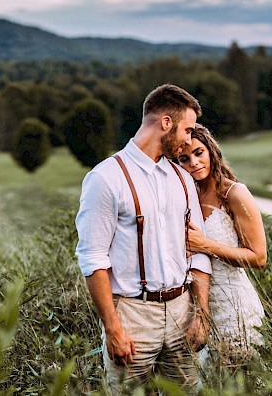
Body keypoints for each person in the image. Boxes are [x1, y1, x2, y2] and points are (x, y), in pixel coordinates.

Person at [75, 84, 212, 394]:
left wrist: (201, 315)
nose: (189, 139)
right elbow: (93, 258)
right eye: (187, 129)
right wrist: (113, 327)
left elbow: (198, 251)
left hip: (183, 309)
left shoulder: (181, 177)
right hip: (132, 315)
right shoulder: (105, 178)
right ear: (165, 123)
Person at [177, 123, 266, 358]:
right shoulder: (187, 198)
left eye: (199, 153)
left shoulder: (234, 193)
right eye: (184, 159)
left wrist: (205, 245)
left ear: (211, 151)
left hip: (233, 304)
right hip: (196, 307)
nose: (194, 163)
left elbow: (258, 258)